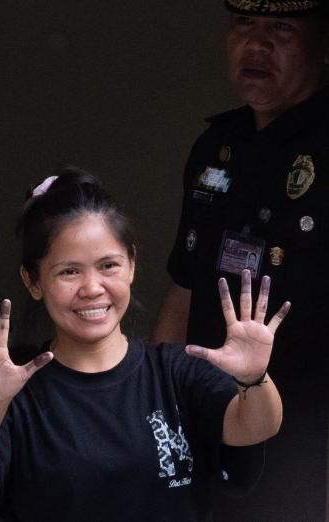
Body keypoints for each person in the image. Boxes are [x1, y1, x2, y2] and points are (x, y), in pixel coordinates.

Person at [0, 169, 289, 521]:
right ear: (33, 281)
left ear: (131, 264)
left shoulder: (175, 372)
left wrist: (253, 378)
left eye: (108, 265)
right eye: (69, 271)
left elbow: (255, 427)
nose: (92, 288)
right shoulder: (14, 389)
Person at [152, 0, 329, 518]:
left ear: (323, 44)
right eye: (244, 24)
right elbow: (185, 288)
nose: (257, 44)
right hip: (210, 421)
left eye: (281, 28)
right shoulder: (217, 146)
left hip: (307, 437)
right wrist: (151, 409)